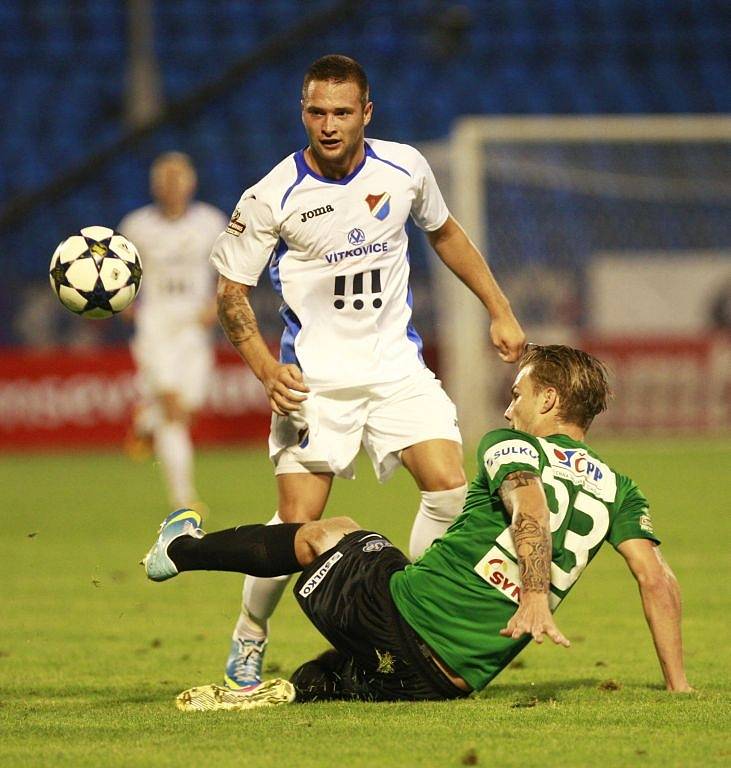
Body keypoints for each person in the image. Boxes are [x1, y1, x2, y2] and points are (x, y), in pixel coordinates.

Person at [142, 344, 693, 710]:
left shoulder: (512, 446)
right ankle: (297, 691)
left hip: (397, 624)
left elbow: (531, 509)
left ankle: (181, 548)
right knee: (369, 632)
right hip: (444, 685)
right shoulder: (621, 489)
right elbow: (657, 580)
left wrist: (535, 594)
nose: (507, 410)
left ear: (549, 399)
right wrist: (678, 687)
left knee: (328, 533)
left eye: (517, 395)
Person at [209, 54, 525, 690]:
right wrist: (266, 368)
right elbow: (229, 293)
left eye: (342, 112)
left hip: (395, 368)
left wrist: (500, 308)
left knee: (448, 487)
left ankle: (408, 619)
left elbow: (446, 233)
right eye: (316, 111)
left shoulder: (404, 167)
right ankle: (249, 635)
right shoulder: (272, 195)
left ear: (366, 113)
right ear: (303, 112)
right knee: (297, 524)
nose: (328, 125)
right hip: (314, 380)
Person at [119, 152, 227, 509]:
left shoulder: (211, 222)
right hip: (156, 324)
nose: (171, 185)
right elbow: (117, 275)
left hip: (194, 326)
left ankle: (145, 418)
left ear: (191, 182)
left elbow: (233, 267)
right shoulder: (136, 226)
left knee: (189, 406)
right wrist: (122, 303)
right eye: (164, 178)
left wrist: (218, 302)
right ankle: (184, 499)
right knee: (173, 410)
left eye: (178, 177)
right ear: (154, 185)